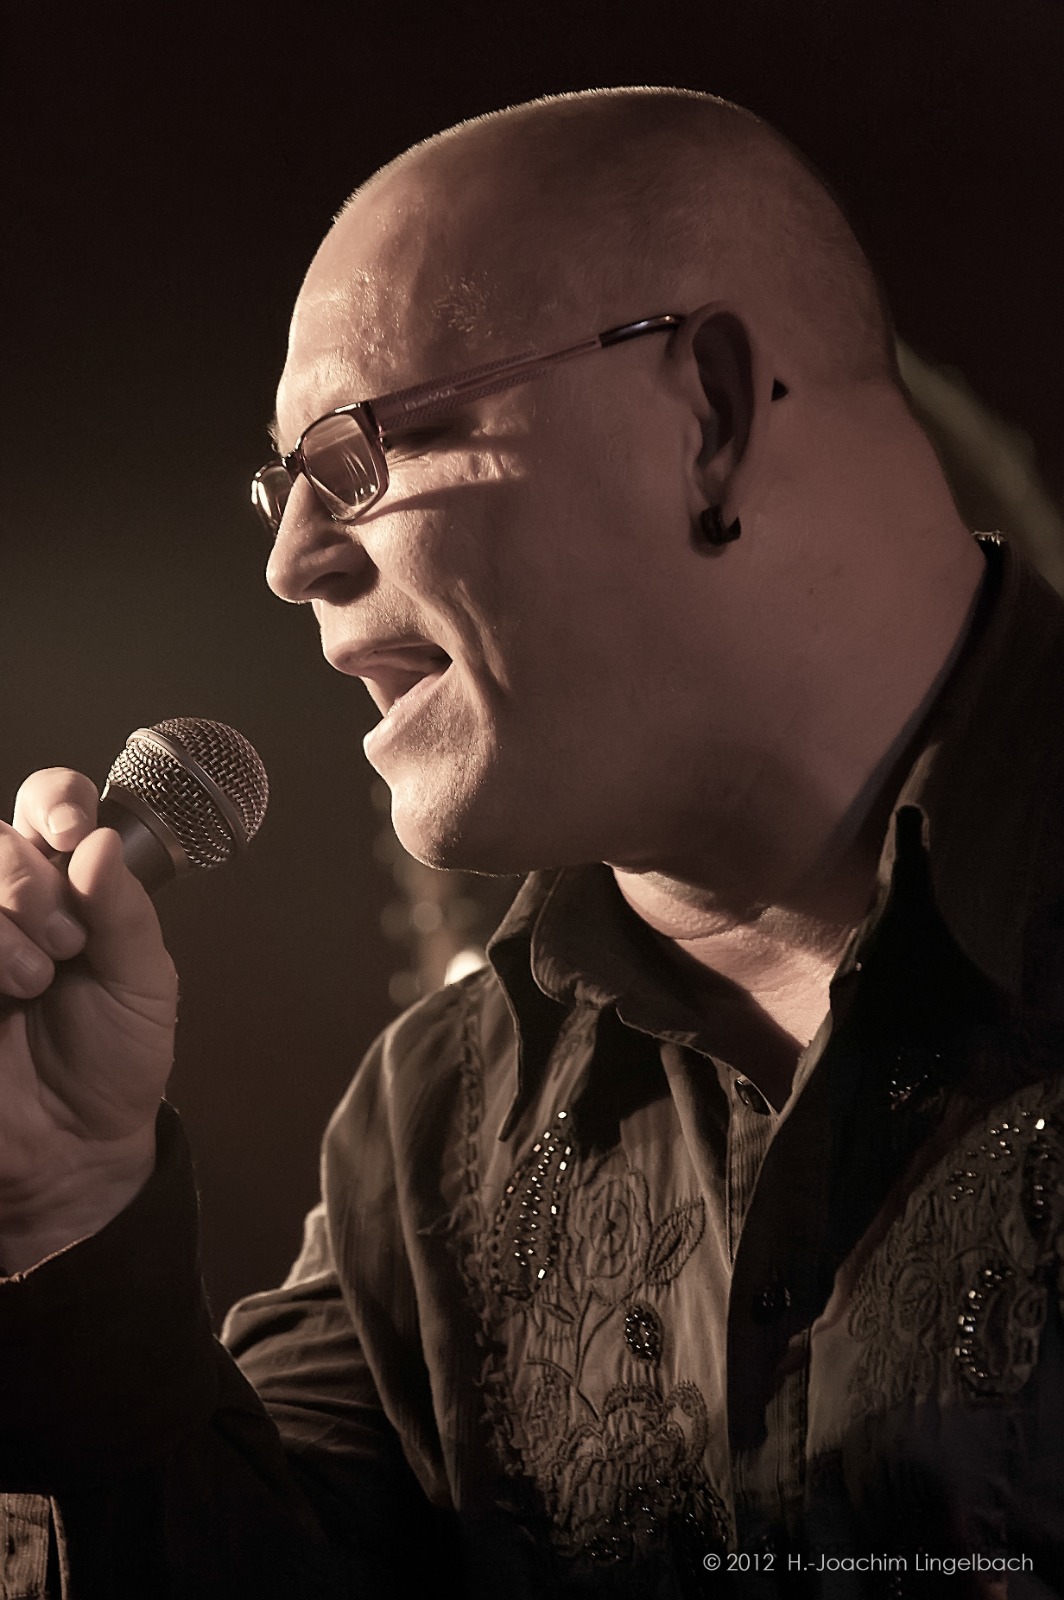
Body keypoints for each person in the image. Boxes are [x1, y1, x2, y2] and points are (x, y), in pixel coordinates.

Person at [1, 86, 1063, 1598]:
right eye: (280, 485)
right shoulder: (430, 1123)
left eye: (360, 450)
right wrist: (68, 1203)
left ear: (708, 416)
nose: (291, 561)